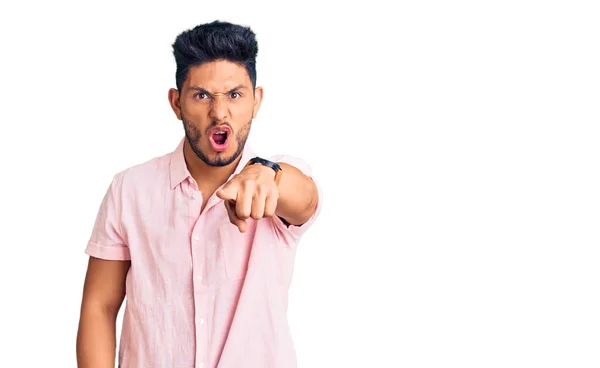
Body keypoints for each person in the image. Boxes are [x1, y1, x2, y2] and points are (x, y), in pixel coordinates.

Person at [76, 20, 322, 368]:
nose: (219, 113)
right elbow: (99, 307)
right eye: (202, 95)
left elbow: (305, 199)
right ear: (176, 103)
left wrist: (268, 175)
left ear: (256, 100)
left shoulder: (277, 177)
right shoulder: (129, 189)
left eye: (235, 95)